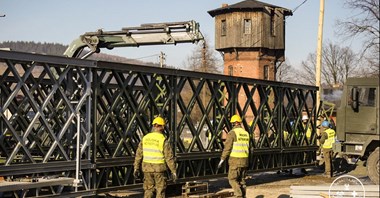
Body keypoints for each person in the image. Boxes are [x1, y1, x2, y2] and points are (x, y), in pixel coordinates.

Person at [133, 116, 177, 198]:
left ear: (153, 126)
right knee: (160, 190)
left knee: (148, 190)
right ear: (162, 127)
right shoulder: (163, 140)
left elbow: (138, 154)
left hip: (146, 169)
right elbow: (169, 158)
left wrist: (136, 168)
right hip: (159, 169)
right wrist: (173, 171)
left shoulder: (145, 138)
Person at [217, 114, 250, 198]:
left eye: (232, 123)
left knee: (232, 179)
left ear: (235, 123)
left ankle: (239, 195)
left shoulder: (232, 133)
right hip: (245, 161)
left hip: (235, 161)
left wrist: (222, 159)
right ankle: (244, 196)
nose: (231, 125)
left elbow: (227, 148)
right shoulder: (246, 133)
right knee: (241, 180)